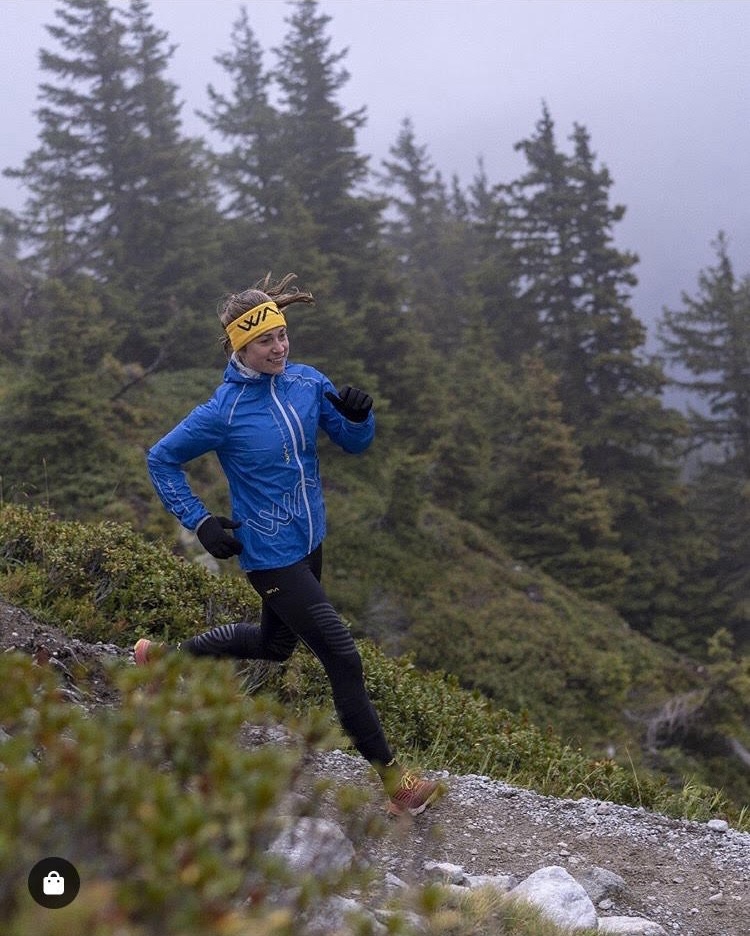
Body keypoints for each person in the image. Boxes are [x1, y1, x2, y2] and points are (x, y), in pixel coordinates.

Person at [136, 272, 444, 817]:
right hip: (268, 553)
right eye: (264, 342)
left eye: (282, 336)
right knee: (343, 659)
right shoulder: (222, 413)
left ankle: (161, 662)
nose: (279, 348)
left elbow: (353, 443)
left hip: (310, 540)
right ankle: (398, 784)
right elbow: (161, 459)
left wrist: (358, 415)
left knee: (277, 646)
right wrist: (199, 521)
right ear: (240, 347)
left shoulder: (306, 383)